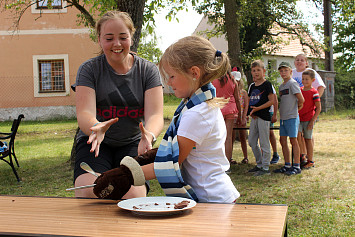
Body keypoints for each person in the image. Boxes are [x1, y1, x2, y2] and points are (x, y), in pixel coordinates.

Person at [93, 36, 240, 203]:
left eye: (172, 76)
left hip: (213, 199)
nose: (169, 83)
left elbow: (170, 162)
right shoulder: (199, 106)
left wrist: (125, 175)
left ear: (194, 73)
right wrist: (138, 162)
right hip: (213, 196)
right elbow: (175, 149)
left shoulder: (197, 114)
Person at [72, 11, 164, 198]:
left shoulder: (148, 70)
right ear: (99, 40)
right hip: (96, 143)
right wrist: (96, 127)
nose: (117, 44)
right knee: (90, 191)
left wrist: (149, 135)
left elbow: (155, 115)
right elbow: (84, 113)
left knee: (133, 195)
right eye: (109, 38)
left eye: (123, 37)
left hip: (133, 143)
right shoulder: (88, 70)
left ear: (131, 37)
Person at [292, 53, 326, 164]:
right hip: (297, 111)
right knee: (298, 135)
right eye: (297, 59)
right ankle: (302, 155)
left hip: (308, 112)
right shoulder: (292, 72)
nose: (299, 61)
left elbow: (321, 87)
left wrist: (313, 101)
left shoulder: (312, 72)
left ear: (306, 63)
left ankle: (309, 157)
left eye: (302, 60)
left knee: (307, 136)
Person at [274, 62, 304, 175]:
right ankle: (287, 164)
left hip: (292, 117)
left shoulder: (293, 84)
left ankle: (296, 165)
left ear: (291, 71)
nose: (283, 73)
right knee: (282, 140)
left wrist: (295, 111)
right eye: (281, 71)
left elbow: (301, 100)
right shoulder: (281, 86)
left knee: (293, 140)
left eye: (285, 70)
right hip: (283, 118)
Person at [247, 60, 275, 176]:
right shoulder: (252, 86)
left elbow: (272, 101)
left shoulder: (267, 84)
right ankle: (259, 164)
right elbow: (250, 100)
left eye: (258, 70)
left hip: (263, 116)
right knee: (252, 141)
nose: (256, 72)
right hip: (254, 117)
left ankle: (265, 167)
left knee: (264, 142)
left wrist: (257, 109)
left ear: (263, 71)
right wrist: (250, 112)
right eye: (254, 71)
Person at [212, 70, 242, 165]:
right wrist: (240, 116)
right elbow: (237, 99)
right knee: (228, 137)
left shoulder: (213, 79)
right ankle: (227, 163)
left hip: (218, 110)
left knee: (217, 136)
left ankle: (217, 162)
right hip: (230, 110)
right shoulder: (232, 80)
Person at [297, 69, 321, 169]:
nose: (304, 81)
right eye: (303, 79)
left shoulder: (314, 92)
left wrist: (313, 120)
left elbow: (319, 108)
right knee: (297, 136)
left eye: (307, 79)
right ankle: (302, 156)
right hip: (298, 118)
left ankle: (310, 160)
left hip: (308, 119)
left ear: (312, 80)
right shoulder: (300, 90)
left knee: (308, 139)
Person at [231, 72, 249, 164]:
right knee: (231, 137)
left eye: (237, 81)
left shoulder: (243, 92)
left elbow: (246, 106)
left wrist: (243, 117)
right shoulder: (230, 92)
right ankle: (229, 157)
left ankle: (245, 156)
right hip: (232, 117)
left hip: (242, 116)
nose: (236, 83)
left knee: (243, 136)